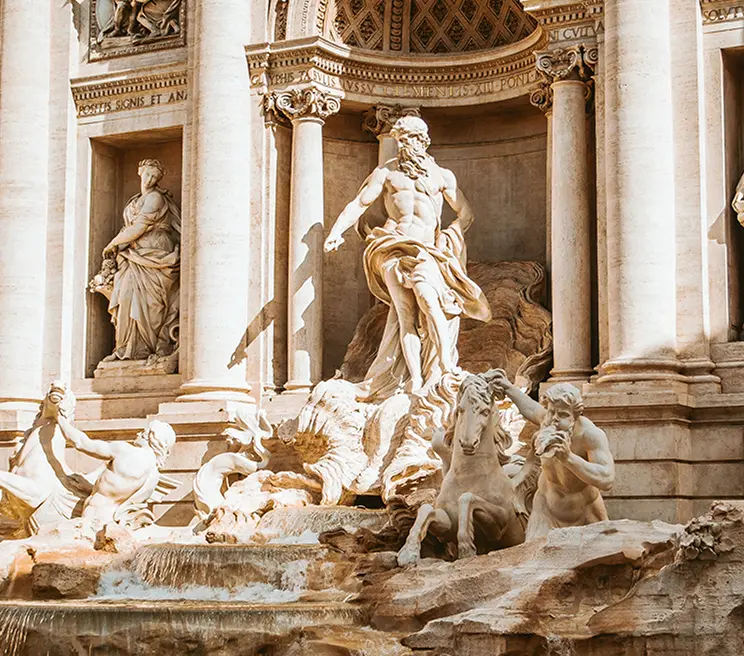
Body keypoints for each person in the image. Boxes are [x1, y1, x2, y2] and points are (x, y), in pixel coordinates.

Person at [324, 116, 491, 399]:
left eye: (410, 138)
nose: (404, 145)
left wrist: (450, 235)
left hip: (427, 250)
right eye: (400, 140)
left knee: (430, 301)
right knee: (405, 317)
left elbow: (466, 213)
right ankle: (414, 379)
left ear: (423, 140)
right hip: (392, 246)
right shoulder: (386, 173)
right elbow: (360, 203)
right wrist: (336, 231)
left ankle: (446, 365)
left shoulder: (442, 176)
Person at [490, 372, 615, 540]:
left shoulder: (589, 435)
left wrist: (568, 457)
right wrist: (508, 388)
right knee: (533, 559)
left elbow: (606, 479)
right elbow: (530, 408)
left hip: (586, 512)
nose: (554, 419)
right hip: (546, 510)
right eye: (551, 412)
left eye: (562, 415)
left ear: (575, 416)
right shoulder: (547, 420)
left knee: (603, 561)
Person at [102, 158, 180, 362]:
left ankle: (147, 348)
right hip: (132, 254)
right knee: (126, 295)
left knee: (151, 303)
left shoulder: (156, 198)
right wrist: (121, 245)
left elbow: (139, 227)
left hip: (154, 251)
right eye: (147, 174)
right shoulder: (135, 200)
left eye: (155, 177)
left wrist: (113, 244)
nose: (150, 179)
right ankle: (126, 348)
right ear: (140, 172)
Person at [55, 412, 176, 527]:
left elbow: (81, 443)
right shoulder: (153, 476)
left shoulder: (125, 451)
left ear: (151, 436)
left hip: (91, 518)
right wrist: (88, 487)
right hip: (111, 521)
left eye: (143, 432)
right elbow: (117, 494)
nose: (138, 434)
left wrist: (59, 418)